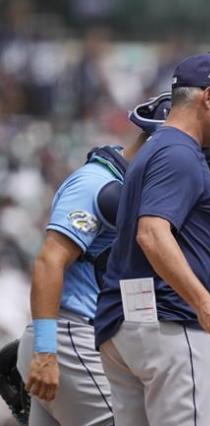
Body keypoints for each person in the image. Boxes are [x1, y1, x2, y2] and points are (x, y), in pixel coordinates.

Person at [92, 53, 210, 426]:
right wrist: (203, 303)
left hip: (128, 326)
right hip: (169, 326)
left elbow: (178, 257)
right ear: (209, 96)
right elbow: (152, 235)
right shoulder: (180, 153)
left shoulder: (154, 150)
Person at [15, 92, 170, 426]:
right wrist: (45, 350)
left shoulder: (134, 190)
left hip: (81, 343)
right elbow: (48, 262)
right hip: (70, 337)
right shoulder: (96, 183)